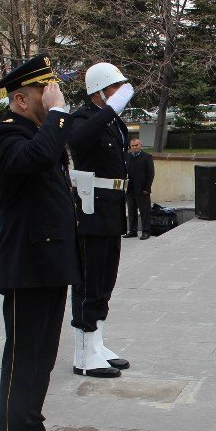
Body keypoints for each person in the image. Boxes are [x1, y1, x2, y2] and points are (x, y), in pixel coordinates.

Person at [0, 54, 82, 431]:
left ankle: (32, 425)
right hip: (26, 264)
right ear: (22, 100)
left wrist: (55, 119)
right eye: (47, 92)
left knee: (42, 353)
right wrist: (58, 116)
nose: (55, 97)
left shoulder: (38, 132)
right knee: (23, 354)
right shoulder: (6, 137)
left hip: (49, 261)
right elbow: (36, 159)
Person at [67, 62, 135, 378]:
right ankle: (83, 354)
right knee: (89, 279)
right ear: (100, 90)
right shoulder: (83, 118)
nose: (121, 93)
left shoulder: (112, 122)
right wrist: (109, 111)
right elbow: (78, 141)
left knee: (106, 278)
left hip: (111, 206)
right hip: (91, 207)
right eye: (115, 88)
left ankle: (97, 344)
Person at [125, 137, 155, 240]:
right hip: (130, 189)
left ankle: (146, 232)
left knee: (144, 212)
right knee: (131, 212)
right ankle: (132, 231)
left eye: (136, 145)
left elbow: (150, 174)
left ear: (140, 145)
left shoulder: (147, 157)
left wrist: (147, 188)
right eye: (132, 146)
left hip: (142, 190)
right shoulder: (128, 156)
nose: (134, 147)